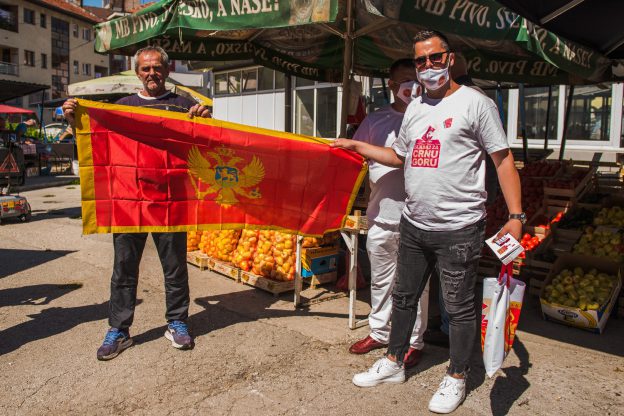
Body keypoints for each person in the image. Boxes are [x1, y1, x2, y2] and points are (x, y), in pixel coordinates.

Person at [332, 30, 523, 414]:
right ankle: (394, 361)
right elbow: (400, 155)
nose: (428, 66)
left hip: (460, 227)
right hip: (414, 223)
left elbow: (502, 160)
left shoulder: (476, 103)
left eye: (435, 58)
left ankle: (457, 376)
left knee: (458, 307)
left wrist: (517, 217)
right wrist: (357, 146)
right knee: (403, 298)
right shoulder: (416, 107)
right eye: (421, 61)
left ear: (450, 59)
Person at [62, 45, 211, 361]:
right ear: (137, 72)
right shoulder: (122, 107)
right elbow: (96, 143)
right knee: (124, 270)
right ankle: (119, 329)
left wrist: (206, 121)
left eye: (157, 68)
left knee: (174, 268)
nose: (151, 73)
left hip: (171, 200)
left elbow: (207, 147)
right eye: (145, 69)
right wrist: (75, 120)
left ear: (168, 70)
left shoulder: (185, 106)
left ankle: (177, 321)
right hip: (129, 201)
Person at [348, 59, 428, 369]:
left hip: (418, 218)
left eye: (416, 79)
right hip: (381, 214)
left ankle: (414, 341)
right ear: (392, 86)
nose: (412, 85)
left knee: (416, 284)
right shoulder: (375, 120)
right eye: (405, 80)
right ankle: (379, 331)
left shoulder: (428, 118)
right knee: (381, 281)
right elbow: (356, 161)